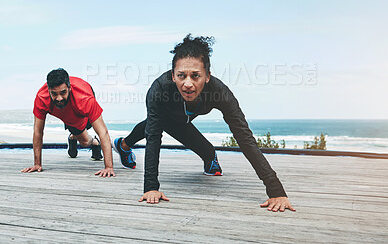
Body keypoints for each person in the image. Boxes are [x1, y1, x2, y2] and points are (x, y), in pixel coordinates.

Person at [113, 34, 295, 211]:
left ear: (207, 76)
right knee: (155, 123)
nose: (188, 83)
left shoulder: (219, 92)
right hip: (166, 116)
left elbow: (244, 137)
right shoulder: (160, 89)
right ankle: (124, 145)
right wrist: (150, 187)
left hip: (181, 121)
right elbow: (153, 137)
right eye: (181, 75)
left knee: (209, 153)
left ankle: (208, 156)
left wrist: (276, 190)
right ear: (173, 75)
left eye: (195, 75)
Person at [21, 68, 115, 177]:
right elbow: (38, 131)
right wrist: (37, 164)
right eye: (54, 94)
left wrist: (109, 167)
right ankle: (75, 136)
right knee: (83, 140)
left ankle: (93, 142)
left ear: (69, 88)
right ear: (48, 90)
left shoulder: (85, 99)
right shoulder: (42, 98)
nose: (59, 98)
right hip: (67, 114)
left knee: (85, 142)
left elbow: (103, 132)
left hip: (79, 105)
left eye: (63, 92)